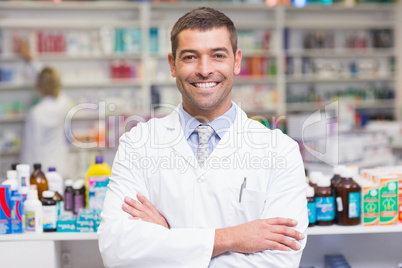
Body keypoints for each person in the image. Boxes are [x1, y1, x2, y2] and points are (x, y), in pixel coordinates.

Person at [98, 7, 308, 268]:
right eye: (190, 57)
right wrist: (232, 238)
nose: (204, 69)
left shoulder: (280, 151)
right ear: (173, 65)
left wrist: (168, 239)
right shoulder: (138, 144)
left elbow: (279, 262)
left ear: (236, 61)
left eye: (218, 55)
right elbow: (117, 251)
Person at [19, 49, 71, 179]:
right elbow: (52, 82)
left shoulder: (35, 114)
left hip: (41, 172)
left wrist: (26, 177)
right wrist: (32, 59)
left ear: (39, 85)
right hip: (60, 168)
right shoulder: (63, 104)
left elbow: (30, 150)